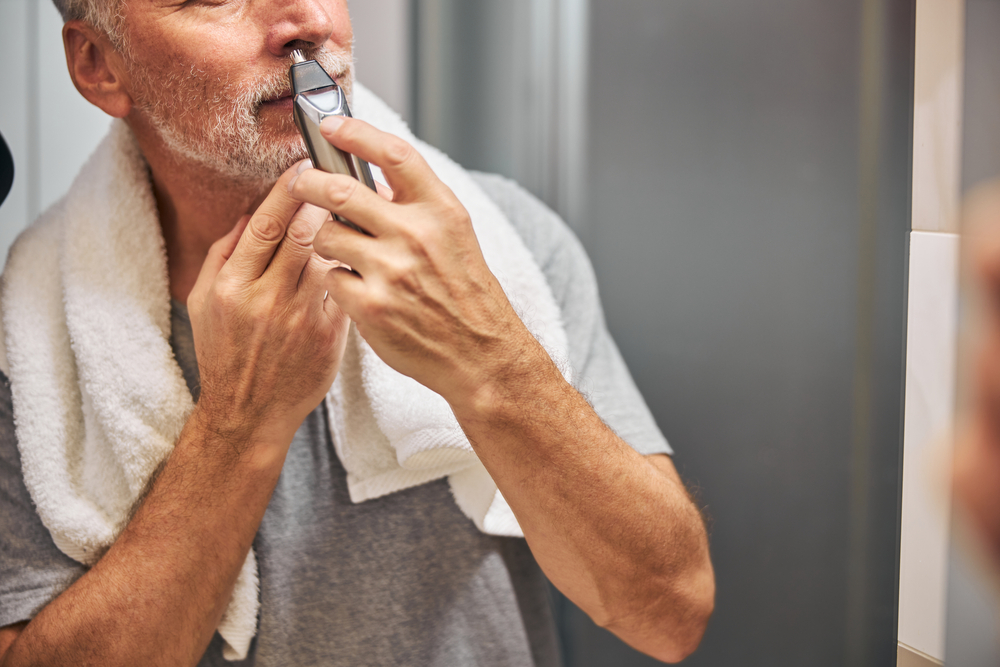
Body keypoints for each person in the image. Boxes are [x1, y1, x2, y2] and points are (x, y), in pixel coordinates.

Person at [0, 1, 714, 666]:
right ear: (98, 63)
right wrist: (239, 424)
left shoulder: (506, 246)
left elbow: (670, 614)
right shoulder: (25, 339)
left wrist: (490, 356)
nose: (306, 21)